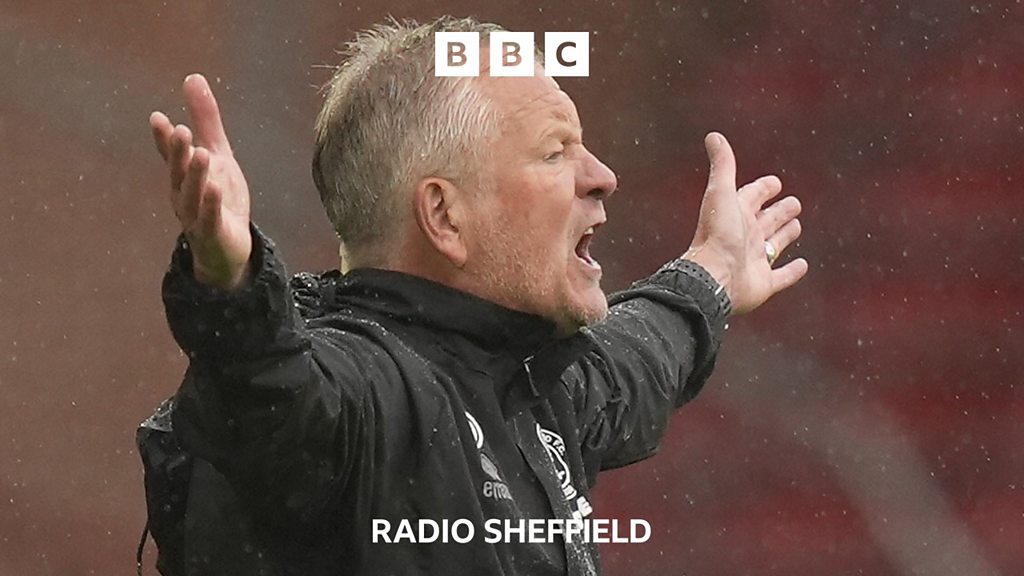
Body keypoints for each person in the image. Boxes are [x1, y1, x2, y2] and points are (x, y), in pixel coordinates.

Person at [145, 15, 806, 576]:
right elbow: (262, 391)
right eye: (555, 153)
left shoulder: (530, 383)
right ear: (445, 215)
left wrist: (711, 272)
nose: (602, 175)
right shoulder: (361, 395)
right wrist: (230, 284)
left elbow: (637, 358)